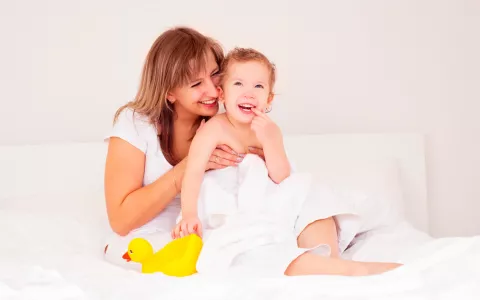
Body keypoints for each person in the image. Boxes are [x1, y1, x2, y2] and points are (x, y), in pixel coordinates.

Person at [103, 26, 399, 276]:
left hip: (248, 207)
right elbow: (121, 220)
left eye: (216, 76)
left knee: (309, 193)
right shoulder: (136, 124)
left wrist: (268, 150)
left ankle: (329, 263)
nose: (212, 90)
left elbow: (276, 177)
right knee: (235, 247)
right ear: (169, 91)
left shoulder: (230, 117)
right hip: (184, 229)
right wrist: (192, 169)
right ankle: (318, 267)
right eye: (196, 83)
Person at [171, 47, 402, 276]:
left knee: (311, 196)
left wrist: (271, 142)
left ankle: (329, 259)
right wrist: (190, 213)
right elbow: (193, 173)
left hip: (271, 199)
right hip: (232, 204)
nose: (249, 93)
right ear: (222, 94)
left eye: (258, 86)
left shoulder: (269, 130)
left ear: (269, 99)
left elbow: (282, 177)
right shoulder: (213, 130)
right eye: (238, 84)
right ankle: (332, 268)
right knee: (252, 242)